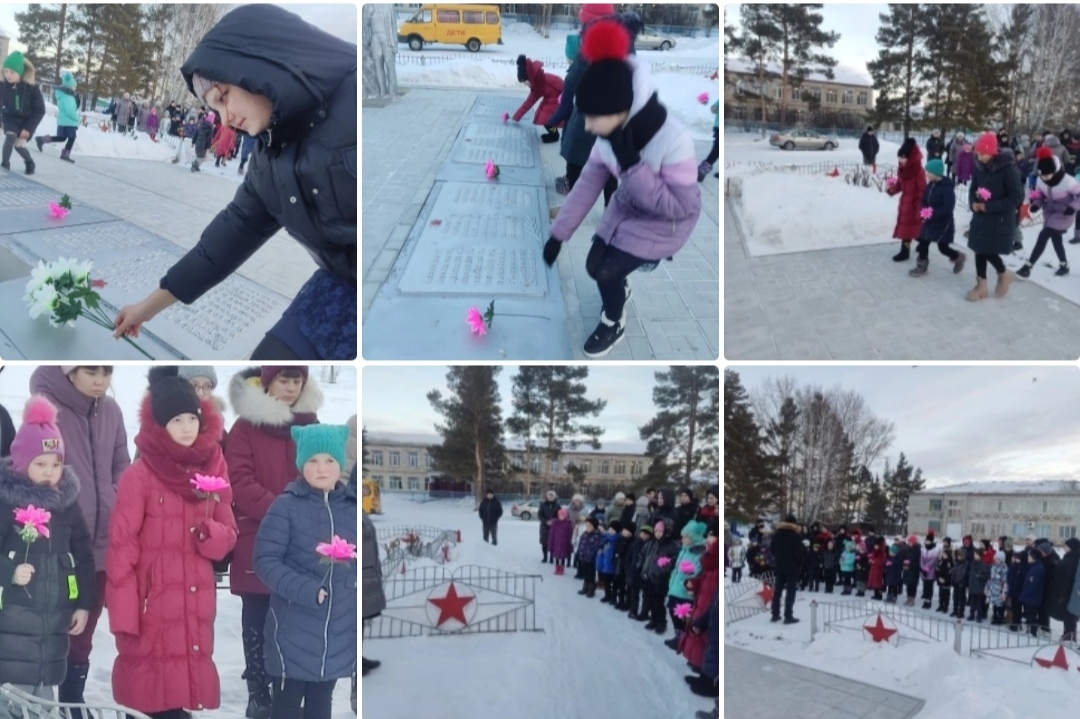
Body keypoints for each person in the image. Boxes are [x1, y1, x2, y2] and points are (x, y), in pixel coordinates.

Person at [113, 4, 357, 362]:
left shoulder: (353, 100)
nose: (225, 118)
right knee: (260, 379)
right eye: (215, 108)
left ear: (257, 64)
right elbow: (222, 243)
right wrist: (147, 308)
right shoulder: (268, 163)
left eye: (224, 96)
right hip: (339, 287)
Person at [543, 19, 701, 358]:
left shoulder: (674, 140)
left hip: (668, 222)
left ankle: (613, 320)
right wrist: (558, 234)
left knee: (605, 273)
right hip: (630, 205)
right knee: (593, 264)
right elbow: (587, 184)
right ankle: (619, 287)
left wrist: (631, 166)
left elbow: (679, 208)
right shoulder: (609, 136)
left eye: (593, 118)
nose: (586, 125)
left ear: (619, 112)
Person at [107, 368, 237, 718]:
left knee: (182, 693)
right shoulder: (141, 474)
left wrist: (211, 535)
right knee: (154, 698)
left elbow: (228, 532)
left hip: (194, 602)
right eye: (175, 420)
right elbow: (122, 546)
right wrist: (124, 614)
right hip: (153, 606)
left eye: (191, 418)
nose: (186, 427)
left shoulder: (213, 466)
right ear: (160, 424)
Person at [225, 366, 323, 719]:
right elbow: (238, 481)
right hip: (259, 539)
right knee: (258, 620)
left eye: (297, 381)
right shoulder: (245, 427)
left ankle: (289, 693)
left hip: (302, 544)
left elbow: (322, 472)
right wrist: (284, 513)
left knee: (295, 622)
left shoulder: (311, 425)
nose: (291, 388)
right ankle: (259, 694)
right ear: (268, 382)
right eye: (284, 380)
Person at [29, 366, 129, 709]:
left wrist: (115, 496)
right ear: (70, 372)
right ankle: (38, 695)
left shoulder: (112, 411)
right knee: (57, 620)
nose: (101, 380)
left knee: (86, 622)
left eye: (107, 371)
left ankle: (73, 696)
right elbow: (35, 464)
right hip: (62, 542)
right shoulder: (46, 409)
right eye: (91, 371)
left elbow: (121, 462)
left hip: (104, 542)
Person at [254, 424, 356, 719]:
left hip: (336, 635)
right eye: (312, 460)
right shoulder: (285, 507)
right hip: (293, 633)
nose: (321, 468)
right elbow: (266, 560)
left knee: (320, 707)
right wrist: (306, 590)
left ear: (340, 465)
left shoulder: (351, 510)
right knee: (286, 707)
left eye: (329, 461)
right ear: (301, 464)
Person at [0, 396, 95, 713]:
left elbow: (83, 554)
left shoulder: (66, 506)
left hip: (53, 632)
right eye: (40, 464)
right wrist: (10, 572)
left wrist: (83, 604)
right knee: (14, 702)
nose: (49, 472)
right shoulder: (7, 504)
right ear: (21, 464)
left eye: (55, 464)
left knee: (44, 701)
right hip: (11, 635)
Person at [966, 132, 1022, 301]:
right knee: (979, 248)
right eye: (977, 153)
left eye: (982, 153)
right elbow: (972, 189)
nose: (979, 156)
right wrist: (973, 203)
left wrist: (989, 206)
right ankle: (981, 285)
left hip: (998, 218)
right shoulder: (979, 167)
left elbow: (1016, 197)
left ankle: (1003, 274)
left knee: (987, 250)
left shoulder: (1007, 170)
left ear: (992, 152)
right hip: (980, 217)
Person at [1020, 147, 1080, 279]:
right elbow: (1040, 194)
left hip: (1064, 213)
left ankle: (1028, 266)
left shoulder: (1068, 181)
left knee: (1044, 235)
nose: (1045, 178)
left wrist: (1073, 207)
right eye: (1042, 175)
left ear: (1055, 171)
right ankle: (1064, 265)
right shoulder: (1041, 180)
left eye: (1047, 175)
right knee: (1056, 238)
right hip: (1050, 212)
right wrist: (1036, 204)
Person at [910, 158, 964, 277]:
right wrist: (923, 209)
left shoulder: (947, 188)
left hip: (943, 223)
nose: (927, 174)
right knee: (923, 241)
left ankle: (958, 257)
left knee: (942, 247)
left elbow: (948, 207)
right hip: (929, 220)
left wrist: (932, 212)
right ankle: (921, 266)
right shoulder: (931, 185)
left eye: (929, 172)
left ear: (936, 173)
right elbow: (924, 200)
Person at [680, 526, 718, 692]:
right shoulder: (709, 559)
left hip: (710, 605)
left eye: (712, 536)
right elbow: (704, 578)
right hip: (704, 602)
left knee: (709, 641)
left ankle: (709, 678)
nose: (708, 539)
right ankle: (702, 671)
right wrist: (694, 583)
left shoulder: (716, 558)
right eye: (709, 535)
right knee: (700, 635)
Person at [0, 52, 44, 175]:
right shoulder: (2, 85)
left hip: (26, 121)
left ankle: (30, 162)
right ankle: (4, 166)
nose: (8, 75)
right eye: (6, 71)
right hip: (10, 118)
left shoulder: (32, 88)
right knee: (10, 136)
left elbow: (40, 110)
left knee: (19, 146)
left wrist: (28, 128)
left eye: (12, 72)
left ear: (19, 72)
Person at [665, 520, 706, 649]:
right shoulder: (684, 550)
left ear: (693, 538)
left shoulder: (698, 552)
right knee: (673, 611)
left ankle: (683, 639)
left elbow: (697, 570)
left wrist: (688, 571)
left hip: (685, 591)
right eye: (682, 536)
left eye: (685, 536)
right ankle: (678, 636)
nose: (682, 539)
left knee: (683, 615)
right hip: (676, 587)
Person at [887, 138, 926, 262]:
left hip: (914, 205)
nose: (900, 160)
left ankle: (905, 252)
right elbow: (900, 184)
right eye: (899, 158)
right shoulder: (903, 170)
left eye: (903, 158)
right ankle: (923, 243)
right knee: (912, 230)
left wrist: (919, 207)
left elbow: (922, 190)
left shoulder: (918, 171)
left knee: (908, 231)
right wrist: (891, 190)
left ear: (911, 158)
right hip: (905, 203)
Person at [512, 54, 564, 143]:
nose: (525, 84)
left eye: (525, 81)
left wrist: (565, 97)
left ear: (529, 77)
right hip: (550, 101)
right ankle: (553, 132)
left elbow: (561, 84)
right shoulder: (537, 85)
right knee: (542, 116)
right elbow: (528, 102)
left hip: (558, 100)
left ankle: (555, 135)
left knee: (545, 118)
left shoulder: (544, 79)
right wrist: (516, 116)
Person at [640, 519, 678, 634]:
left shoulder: (672, 545)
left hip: (661, 578)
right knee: (650, 599)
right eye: (655, 531)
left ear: (666, 531)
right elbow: (644, 555)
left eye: (660, 531)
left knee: (658, 601)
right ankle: (654, 619)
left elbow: (675, 560)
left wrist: (663, 568)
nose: (657, 533)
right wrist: (643, 567)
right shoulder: (652, 543)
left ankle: (661, 621)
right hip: (649, 576)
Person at [35, 72, 79, 162]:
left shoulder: (62, 95)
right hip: (69, 122)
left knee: (62, 137)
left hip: (62, 121)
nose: (75, 88)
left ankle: (41, 139)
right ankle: (65, 154)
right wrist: (78, 118)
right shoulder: (69, 98)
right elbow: (70, 111)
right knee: (72, 138)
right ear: (70, 87)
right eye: (74, 87)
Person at [361, 511, 385, 678]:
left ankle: (358, 657)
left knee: (360, 619)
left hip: (367, 573)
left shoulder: (359, 512)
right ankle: (353, 663)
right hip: (356, 574)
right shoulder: (346, 510)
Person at [769, 514, 805, 624]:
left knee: (777, 591)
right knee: (790, 592)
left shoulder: (777, 535)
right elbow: (798, 553)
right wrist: (800, 563)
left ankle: (775, 614)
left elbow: (772, 550)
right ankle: (788, 616)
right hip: (792, 568)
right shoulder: (795, 536)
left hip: (779, 566)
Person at [1047, 537, 1080, 640]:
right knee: (1069, 615)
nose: (1064, 547)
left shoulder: (1073, 559)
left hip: (1068, 592)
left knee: (1070, 615)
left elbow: (1069, 578)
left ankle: (1069, 636)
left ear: (1071, 547)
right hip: (1068, 592)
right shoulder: (1070, 557)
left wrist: (1063, 594)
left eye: (1066, 546)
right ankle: (1068, 634)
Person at [1020, 546, 1047, 636]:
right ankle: (1029, 630)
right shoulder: (1033, 567)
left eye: (1030, 556)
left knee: (1032, 615)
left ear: (1034, 557)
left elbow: (1033, 585)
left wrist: (1025, 594)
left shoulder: (1038, 569)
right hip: (1030, 597)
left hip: (1033, 597)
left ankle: (1033, 631)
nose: (1028, 558)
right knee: (1029, 614)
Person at [575, 516, 604, 597]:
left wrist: (590, 555)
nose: (587, 528)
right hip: (583, 558)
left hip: (591, 560)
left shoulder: (597, 536)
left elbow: (596, 548)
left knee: (591, 575)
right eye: (586, 526)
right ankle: (585, 587)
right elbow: (580, 545)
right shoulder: (584, 534)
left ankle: (591, 589)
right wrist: (579, 554)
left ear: (594, 527)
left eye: (589, 526)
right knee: (585, 574)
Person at [548, 507, 574, 574]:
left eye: (563, 516)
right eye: (560, 516)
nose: (561, 517)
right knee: (556, 557)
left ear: (565, 516)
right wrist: (551, 543)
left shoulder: (568, 525)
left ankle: (562, 569)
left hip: (564, 543)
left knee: (562, 557)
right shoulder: (555, 523)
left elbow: (570, 535)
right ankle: (557, 568)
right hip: (556, 543)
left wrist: (569, 544)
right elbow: (552, 534)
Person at [988, 550, 1009, 626]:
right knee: (994, 604)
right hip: (993, 588)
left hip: (1000, 589)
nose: (996, 560)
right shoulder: (993, 566)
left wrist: (1004, 592)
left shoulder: (1004, 568)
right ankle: (995, 616)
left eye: (998, 559)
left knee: (1000, 604)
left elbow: (1005, 581)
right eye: (995, 558)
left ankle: (1000, 617)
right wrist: (988, 587)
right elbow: (990, 577)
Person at [538, 490, 560, 563]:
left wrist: (553, 521)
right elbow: (540, 515)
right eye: (549, 496)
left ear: (554, 497)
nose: (550, 497)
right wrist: (545, 521)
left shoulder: (557, 505)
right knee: (544, 542)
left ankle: (551, 557)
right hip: (544, 526)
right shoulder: (543, 505)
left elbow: (560, 516)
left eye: (552, 496)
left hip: (554, 526)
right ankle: (545, 557)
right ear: (547, 496)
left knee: (553, 542)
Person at [935, 539, 954, 612]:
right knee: (941, 594)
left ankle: (946, 606)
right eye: (943, 554)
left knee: (946, 594)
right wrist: (938, 578)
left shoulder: (950, 563)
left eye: (945, 554)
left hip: (947, 581)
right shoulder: (940, 562)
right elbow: (937, 570)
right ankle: (940, 605)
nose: (943, 555)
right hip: (940, 580)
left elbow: (950, 572)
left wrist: (945, 579)